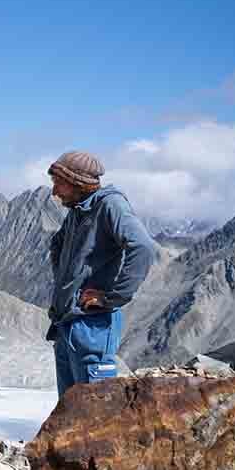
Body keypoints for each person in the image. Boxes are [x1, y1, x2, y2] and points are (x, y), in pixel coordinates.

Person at [45, 150, 155, 398]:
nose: (55, 191)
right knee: (70, 412)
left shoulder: (110, 205)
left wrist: (111, 298)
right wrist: (67, 286)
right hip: (67, 324)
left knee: (96, 411)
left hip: (92, 327)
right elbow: (57, 244)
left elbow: (142, 247)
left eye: (59, 183)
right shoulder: (78, 209)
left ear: (78, 183)